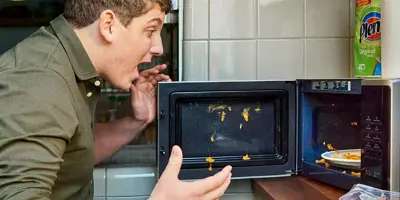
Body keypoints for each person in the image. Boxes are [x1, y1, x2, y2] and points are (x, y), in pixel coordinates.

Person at [0, 0, 232, 199]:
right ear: (108, 25)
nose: (158, 48)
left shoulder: (68, 65)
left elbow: (71, 153)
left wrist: (134, 121)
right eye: (150, 31)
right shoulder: (39, 84)